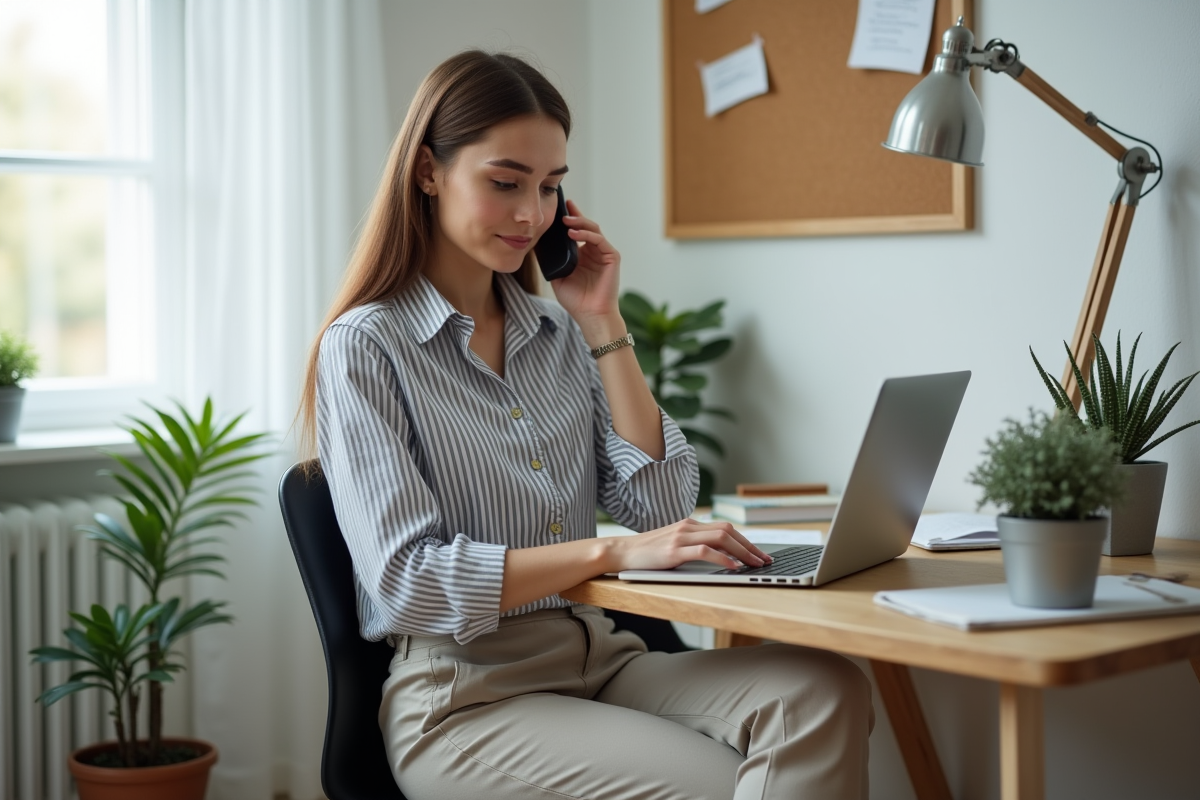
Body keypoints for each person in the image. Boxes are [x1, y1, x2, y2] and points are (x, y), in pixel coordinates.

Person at [298, 50, 873, 800]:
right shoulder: (367, 345)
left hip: (601, 658)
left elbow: (660, 506)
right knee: (723, 785)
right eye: (504, 183)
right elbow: (410, 585)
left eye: (550, 187)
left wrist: (603, 320)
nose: (531, 214)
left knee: (824, 689)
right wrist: (610, 550)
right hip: (467, 698)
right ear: (429, 172)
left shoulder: (557, 332)